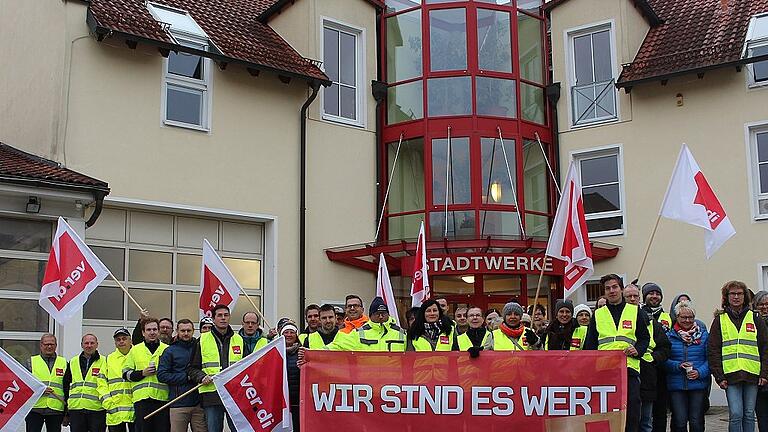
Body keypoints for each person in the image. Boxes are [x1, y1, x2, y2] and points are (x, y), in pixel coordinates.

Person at [584, 274, 650, 432]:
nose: (611, 291)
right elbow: (590, 344)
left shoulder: (635, 312)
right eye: (607, 288)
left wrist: (638, 350)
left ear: (621, 289)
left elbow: (644, 338)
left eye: (614, 287)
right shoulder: (598, 314)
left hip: (629, 371)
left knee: (632, 413)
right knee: (606, 413)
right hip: (604, 373)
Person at [709, 281, 768, 432]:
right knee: (736, 413)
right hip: (730, 376)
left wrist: (764, 373)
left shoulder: (755, 318)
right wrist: (719, 376)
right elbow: (713, 350)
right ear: (726, 297)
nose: (736, 297)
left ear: (745, 296)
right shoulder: (719, 320)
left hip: (752, 375)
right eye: (732, 294)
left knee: (749, 414)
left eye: (740, 293)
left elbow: (765, 348)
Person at [188, 304, 242, 432]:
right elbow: (192, 368)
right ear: (213, 319)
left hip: (235, 394)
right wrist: (202, 377)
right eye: (219, 315)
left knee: (239, 429)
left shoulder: (239, 339)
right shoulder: (202, 340)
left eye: (226, 315)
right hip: (211, 395)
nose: (223, 318)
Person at [626, 284, 670, 432]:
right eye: (628, 297)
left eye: (635, 297)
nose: (632, 300)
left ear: (640, 299)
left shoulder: (651, 322)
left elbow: (665, 347)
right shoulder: (616, 321)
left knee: (645, 421)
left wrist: (653, 358)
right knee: (628, 422)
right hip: (624, 374)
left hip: (647, 376)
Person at [664, 300, 709, 432]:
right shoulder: (669, 336)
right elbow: (663, 360)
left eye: (691, 317)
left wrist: (699, 372)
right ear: (677, 317)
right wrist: (678, 365)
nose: (687, 320)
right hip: (676, 385)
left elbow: (711, 360)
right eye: (684, 317)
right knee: (679, 421)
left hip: (698, 385)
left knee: (696, 421)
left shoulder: (704, 336)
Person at [157, 319, 205, 432]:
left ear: (193, 331)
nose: (186, 333)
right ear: (177, 331)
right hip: (178, 403)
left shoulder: (201, 347)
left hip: (199, 403)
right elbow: (162, 375)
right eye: (183, 330)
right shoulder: (169, 351)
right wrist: (187, 377)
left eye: (189, 330)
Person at [123, 318, 170, 432]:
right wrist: (142, 373)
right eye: (148, 330)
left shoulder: (167, 349)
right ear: (143, 333)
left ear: (158, 331)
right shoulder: (135, 350)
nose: (152, 332)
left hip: (162, 400)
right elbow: (125, 374)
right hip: (142, 401)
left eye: (154, 329)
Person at [64, 334, 106, 432]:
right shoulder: (73, 362)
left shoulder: (105, 361)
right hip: (76, 409)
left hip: (97, 409)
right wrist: (66, 411)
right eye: (86, 343)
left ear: (97, 345)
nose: (89, 345)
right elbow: (66, 385)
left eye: (92, 343)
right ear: (82, 345)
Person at [26, 334, 67, 432]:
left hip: (56, 409)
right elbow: (24, 384)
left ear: (56, 346)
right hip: (34, 408)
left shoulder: (64, 362)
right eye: (46, 344)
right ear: (41, 345)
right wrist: (39, 390)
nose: (49, 346)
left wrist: (67, 412)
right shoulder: (30, 362)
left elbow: (68, 387)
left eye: (52, 344)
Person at [100, 328, 135, 432]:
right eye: (118, 339)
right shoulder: (108, 359)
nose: (121, 341)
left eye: (124, 338)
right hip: (115, 411)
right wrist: (108, 403)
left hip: (135, 410)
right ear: (115, 343)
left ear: (131, 341)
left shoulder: (138, 355)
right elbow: (101, 383)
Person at [280, 321, 301, 432]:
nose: (288, 335)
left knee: (298, 426)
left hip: (298, 399)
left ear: (296, 335)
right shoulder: (276, 352)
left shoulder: (302, 352)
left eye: (291, 332)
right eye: (286, 332)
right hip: (281, 400)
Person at [754, 291, 768, 432]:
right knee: (762, 416)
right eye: (761, 304)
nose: (764, 307)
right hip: (757, 375)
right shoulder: (752, 323)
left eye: (767, 304)